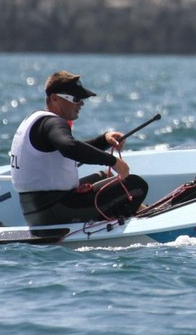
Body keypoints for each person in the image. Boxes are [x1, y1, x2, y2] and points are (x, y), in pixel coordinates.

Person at [10, 70, 149, 226]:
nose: (81, 104)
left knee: (105, 177)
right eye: (75, 99)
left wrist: (104, 140)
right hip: (57, 211)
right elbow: (69, 147)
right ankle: (121, 225)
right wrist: (113, 161)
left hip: (39, 211)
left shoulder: (38, 120)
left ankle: (142, 211)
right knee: (136, 185)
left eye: (81, 99)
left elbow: (67, 150)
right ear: (54, 99)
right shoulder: (53, 123)